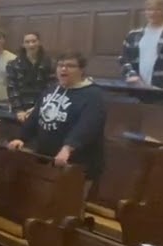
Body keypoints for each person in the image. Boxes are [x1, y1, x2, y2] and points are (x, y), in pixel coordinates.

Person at [8, 52, 108, 193]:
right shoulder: (51, 90)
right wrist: (22, 138)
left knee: (68, 203)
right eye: (60, 65)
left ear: (81, 70)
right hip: (46, 159)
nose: (63, 69)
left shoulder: (94, 95)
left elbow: (87, 126)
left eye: (70, 66)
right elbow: (36, 116)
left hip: (77, 164)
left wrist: (68, 148)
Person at [6, 32, 54, 122]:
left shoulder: (50, 63)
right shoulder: (13, 64)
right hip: (20, 108)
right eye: (27, 42)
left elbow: (51, 88)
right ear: (23, 44)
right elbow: (12, 88)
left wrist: (38, 107)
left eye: (34, 41)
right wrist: (19, 111)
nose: (31, 45)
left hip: (43, 107)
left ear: (39, 43)